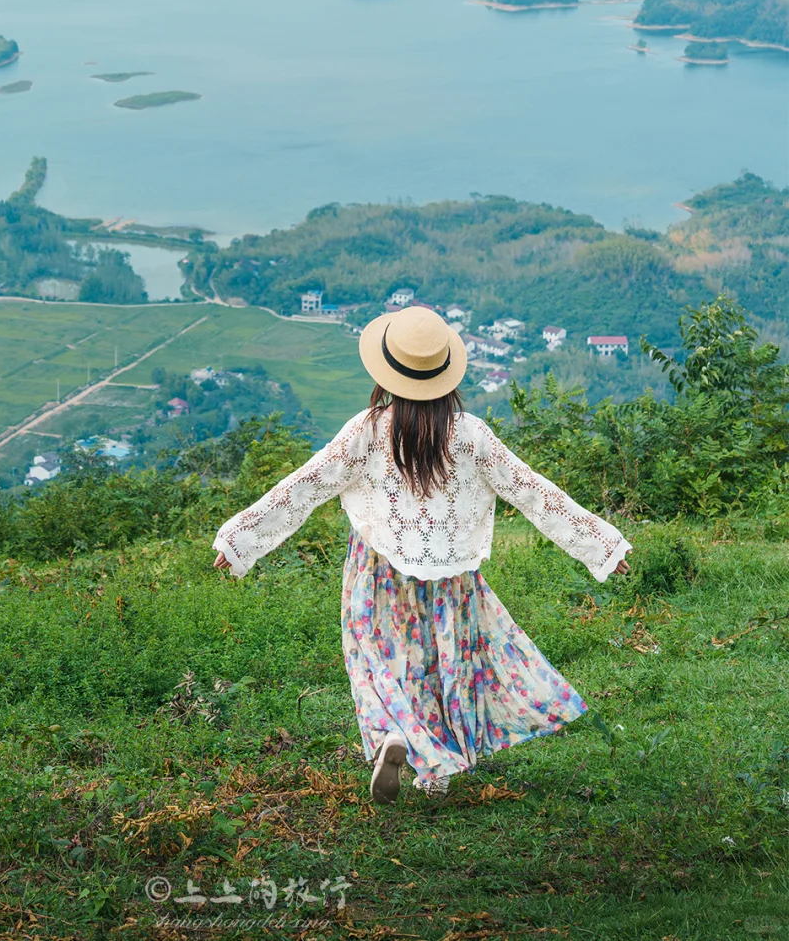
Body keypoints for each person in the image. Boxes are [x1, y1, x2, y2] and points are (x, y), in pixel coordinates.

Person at [212, 306, 631, 804]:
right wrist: (602, 544)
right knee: (442, 663)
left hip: (375, 573)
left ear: (387, 371)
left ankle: (394, 735)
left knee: (376, 661)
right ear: (444, 373)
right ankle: (434, 770)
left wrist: (239, 540)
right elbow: (534, 491)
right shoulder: (471, 434)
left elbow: (303, 486)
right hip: (451, 578)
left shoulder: (367, 430)